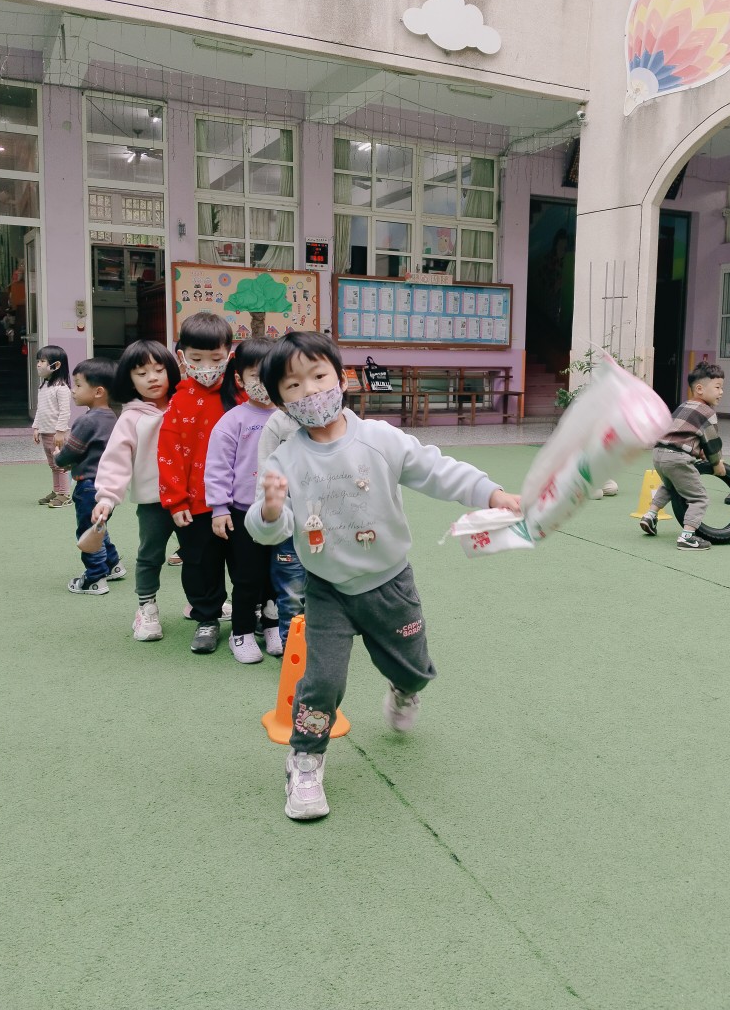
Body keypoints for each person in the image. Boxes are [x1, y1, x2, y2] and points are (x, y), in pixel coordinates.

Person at [246, 332, 521, 822]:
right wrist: (269, 510)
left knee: (414, 668)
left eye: (318, 376)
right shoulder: (283, 460)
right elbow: (271, 530)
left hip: (391, 583)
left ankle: (403, 689)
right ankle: (305, 760)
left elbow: (437, 470)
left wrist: (491, 493)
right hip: (328, 590)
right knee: (322, 681)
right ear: (281, 401)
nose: (310, 391)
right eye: (293, 385)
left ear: (341, 377)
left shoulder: (379, 438)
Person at [92, 340, 183, 641]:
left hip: (189, 499)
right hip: (153, 501)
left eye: (159, 370)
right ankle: (146, 607)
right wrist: (107, 497)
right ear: (129, 380)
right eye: (142, 373)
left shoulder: (184, 405)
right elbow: (116, 460)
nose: (152, 378)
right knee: (150, 554)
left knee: (200, 554)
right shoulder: (131, 418)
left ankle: (204, 601)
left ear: (171, 371)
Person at [158, 312, 237, 654]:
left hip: (239, 501)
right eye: (197, 358)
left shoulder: (241, 396)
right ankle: (207, 618)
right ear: (182, 357)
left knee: (245, 562)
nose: (207, 366)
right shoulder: (179, 401)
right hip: (195, 503)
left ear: (229, 355)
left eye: (216, 359)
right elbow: (169, 453)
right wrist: (176, 501)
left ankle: (251, 616)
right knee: (200, 564)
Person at [204, 337, 283, 664]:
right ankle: (242, 631)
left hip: (284, 513)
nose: (264, 383)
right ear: (240, 379)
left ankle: (273, 626)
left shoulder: (290, 417)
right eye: (255, 376)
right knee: (247, 576)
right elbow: (217, 466)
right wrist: (219, 508)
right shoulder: (233, 420)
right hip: (243, 512)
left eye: (271, 375)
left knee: (279, 575)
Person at [55, 358, 126, 594]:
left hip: (88, 485)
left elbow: (71, 451)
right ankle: (112, 564)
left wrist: (59, 458)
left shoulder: (87, 420)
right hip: (107, 485)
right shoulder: (111, 417)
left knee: (88, 530)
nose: (73, 390)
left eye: (78, 385)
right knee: (98, 526)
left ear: (98, 392)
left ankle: (94, 577)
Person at [639, 361, 726, 551]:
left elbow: (685, 435)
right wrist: (716, 463)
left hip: (659, 453)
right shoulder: (707, 412)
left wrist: (698, 451)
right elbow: (712, 443)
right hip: (677, 457)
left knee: (670, 486)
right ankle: (687, 537)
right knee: (699, 498)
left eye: (722, 388)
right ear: (700, 389)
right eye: (717, 387)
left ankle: (650, 515)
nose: (721, 392)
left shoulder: (684, 405)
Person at [256, 396, 304, 658]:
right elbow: (264, 472)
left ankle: (321, 649)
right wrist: (263, 518)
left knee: (326, 592)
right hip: (289, 526)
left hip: (328, 527)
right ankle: (293, 655)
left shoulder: (334, 421)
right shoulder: (278, 423)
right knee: (291, 592)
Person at [32, 345, 72, 508]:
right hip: (46, 433)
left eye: (42, 361)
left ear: (56, 365)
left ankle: (65, 495)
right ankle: (57, 491)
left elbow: (65, 412)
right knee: (53, 464)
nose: (38, 364)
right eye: (38, 361)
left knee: (61, 465)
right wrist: (36, 427)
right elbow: (40, 410)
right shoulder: (43, 387)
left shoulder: (61, 388)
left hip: (57, 435)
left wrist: (60, 432)